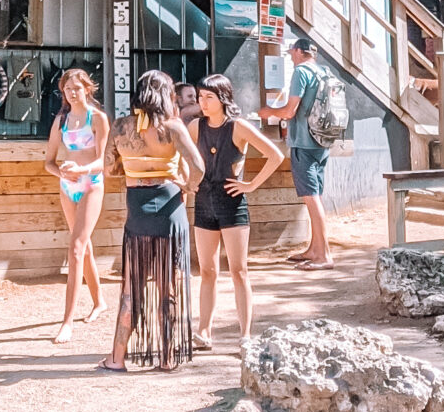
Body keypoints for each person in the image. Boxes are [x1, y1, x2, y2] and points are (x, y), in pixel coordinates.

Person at [99, 70, 204, 372]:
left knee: (130, 288)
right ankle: (168, 357)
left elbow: (109, 169)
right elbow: (198, 166)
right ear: (165, 95)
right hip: (170, 205)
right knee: (167, 286)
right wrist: (188, 186)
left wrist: (133, 171)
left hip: (137, 207)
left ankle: (117, 359)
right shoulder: (173, 127)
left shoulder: (120, 127)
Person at [188, 74, 284, 349]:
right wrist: (189, 182)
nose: (202, 102)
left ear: (223, 98)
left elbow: (274, 155)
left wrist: (251, 185)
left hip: (232, 203)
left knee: (239, 270)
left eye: (208, 97)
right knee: (207, 270)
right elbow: (183, 156)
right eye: (200, 96)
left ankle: (245, 335)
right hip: (204, 201)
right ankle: (204, 332)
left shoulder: (238, 127)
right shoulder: (196, 126)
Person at [43, 68, 110, 344]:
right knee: (84, 248)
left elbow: (103, 161)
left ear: (87, 89)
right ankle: (99, 302)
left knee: (76, 248)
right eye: (67, 88)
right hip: (67, 186)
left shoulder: (98, 118)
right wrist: (63, 173)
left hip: (91, 183)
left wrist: (81, 169)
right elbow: (49, 161)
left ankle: (67, 322)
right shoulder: (61, 120)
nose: (72, 92)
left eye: (77, 88)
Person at [258, 37, 332, 270]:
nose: (290, 56)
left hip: (304, 142)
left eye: (292, 52)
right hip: (322, 141)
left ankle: (324, 256)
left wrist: (268, 111)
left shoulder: (301, 72)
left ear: (300, 52)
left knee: (311, 199)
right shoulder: (323, 72)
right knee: (316, 196)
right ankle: (314, 248)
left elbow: (290, 111)